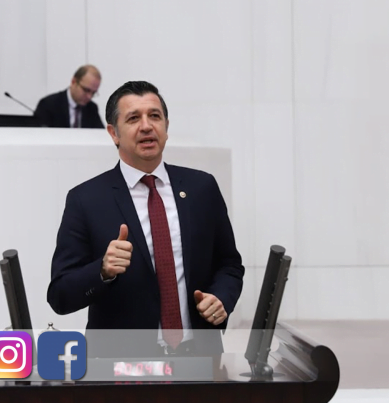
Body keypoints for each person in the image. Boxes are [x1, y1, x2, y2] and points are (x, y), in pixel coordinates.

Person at [47, 81, 244, 358]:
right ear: (113, 133)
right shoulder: (86, 200)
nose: (147, 126)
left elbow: (229, 265)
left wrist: (221, 298)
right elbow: (60, 296)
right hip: (122, 366)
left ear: (166, 126)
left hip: (199, 358)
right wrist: (102, 271)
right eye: (133, 118)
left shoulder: (202, 188)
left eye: (154, 116)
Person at [34, 65, 104, 128]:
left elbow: (100, 134)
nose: (89, 96)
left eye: (93, 93)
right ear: (73, 82)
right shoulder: (48, 104)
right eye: (86, 90)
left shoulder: (91, 108)